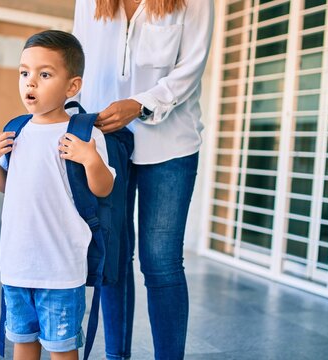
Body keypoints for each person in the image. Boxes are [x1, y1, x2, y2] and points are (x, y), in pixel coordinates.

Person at [72, 0, 214, 359]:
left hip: (170, 146)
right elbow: (78, 62)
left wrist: (139, 103)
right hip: (105, 146)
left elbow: (191, 66)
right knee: (114, 259)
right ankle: (115, 356)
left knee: (161, 261)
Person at [0, 30, 115, 360]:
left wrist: (91, 159)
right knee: (22, 341)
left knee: (60, 348)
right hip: (15, 264)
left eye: (44, 74)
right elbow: (8, 187)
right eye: (24, 73)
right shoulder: (17, 130)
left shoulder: (84, 133)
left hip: (59, 267)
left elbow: (104, 188)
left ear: (72, 86)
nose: (30, 83)